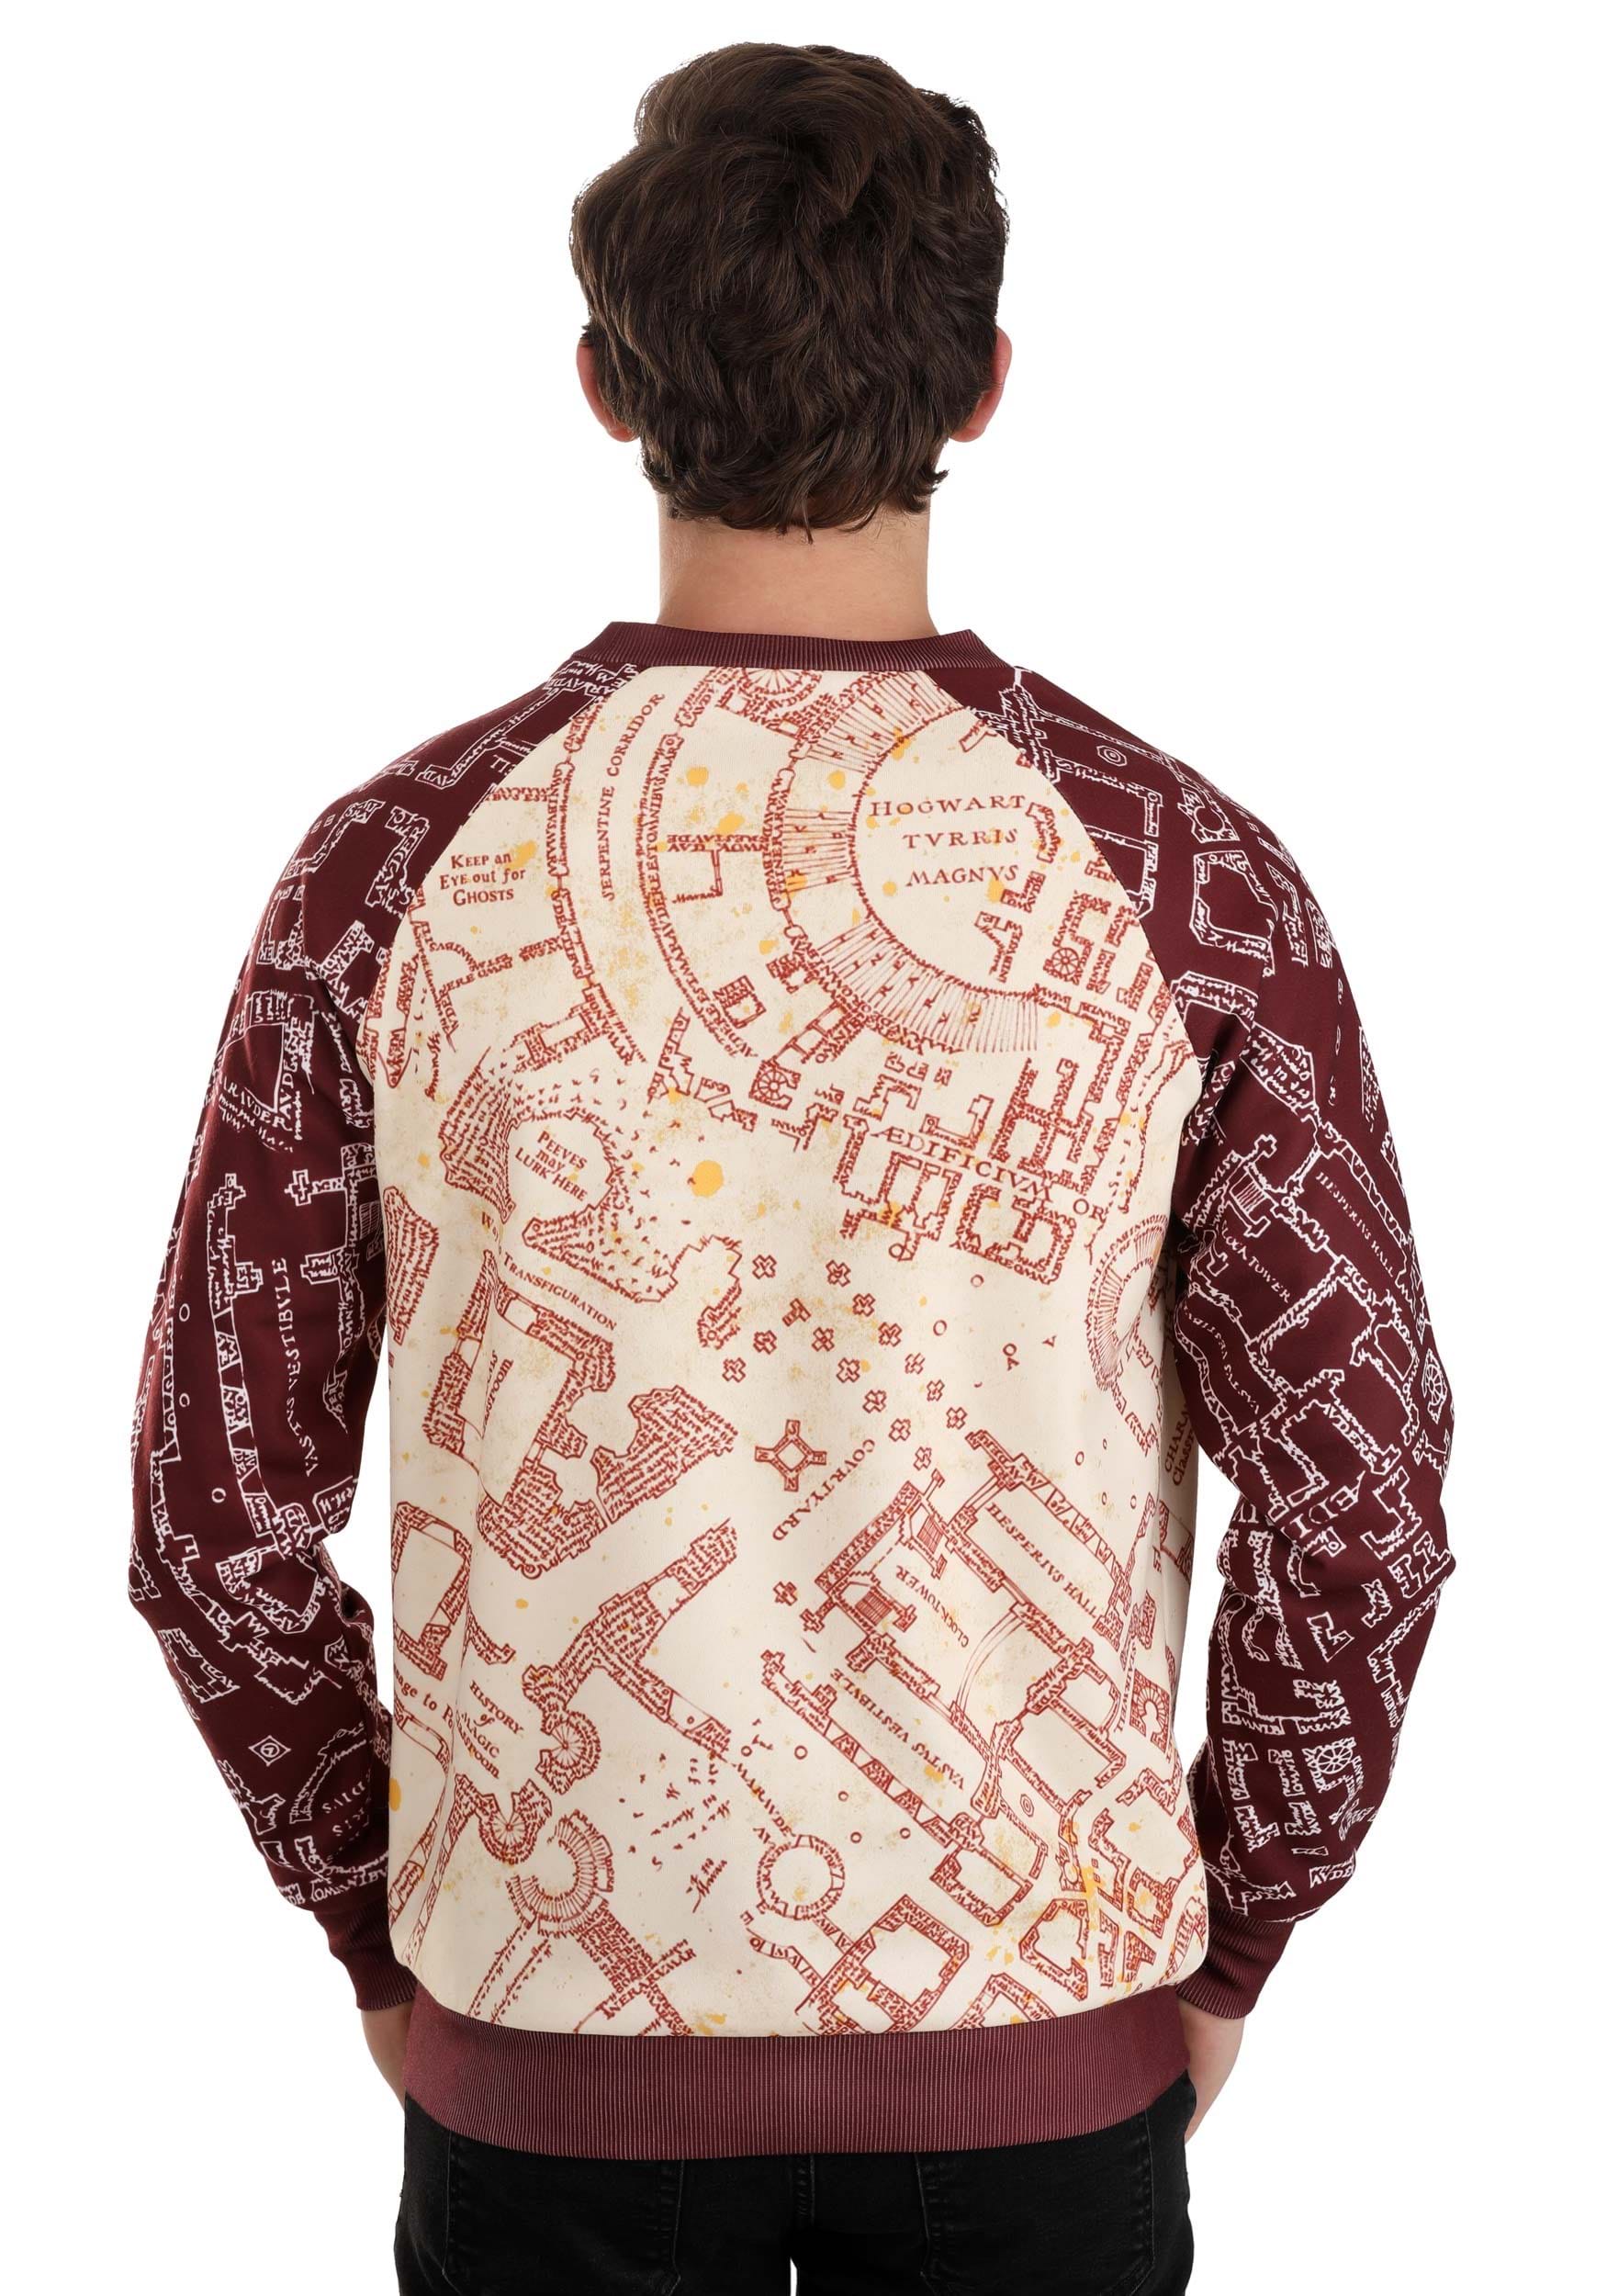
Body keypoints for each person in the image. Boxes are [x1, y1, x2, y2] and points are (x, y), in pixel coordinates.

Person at [128, 39, 1455, 2295]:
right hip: (1041, 2047)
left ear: (600, 383)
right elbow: (1361, 1497)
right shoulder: (1184, 878)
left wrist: (383, 1927)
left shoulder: (388, 870)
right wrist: (1232, 1937)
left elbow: (211, 1516)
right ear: (987, 383)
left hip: (542, 2050)